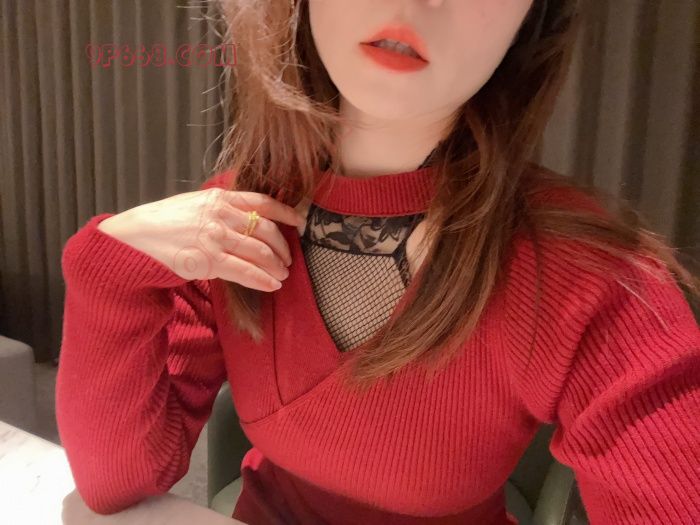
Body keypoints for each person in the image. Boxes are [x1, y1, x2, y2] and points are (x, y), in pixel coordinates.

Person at [56, 1, 700, 524]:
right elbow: (115, 486)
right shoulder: (231, 225)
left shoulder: (597, 281)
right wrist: (105, 268)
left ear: (532, 20)